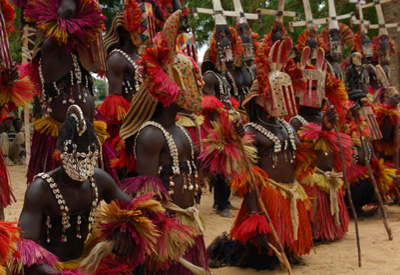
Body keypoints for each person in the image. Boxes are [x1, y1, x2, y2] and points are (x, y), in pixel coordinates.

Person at [10, 105, 168, 274]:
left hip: (86, 263)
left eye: (88, 153)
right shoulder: (40, 189)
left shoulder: (98, 179)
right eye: (76, 154)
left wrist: (124, 229)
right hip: (50, 270)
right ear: (59, 153)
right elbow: (25, 254)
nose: (83, 161)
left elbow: (137, 210)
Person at [208, 39, 315, 270]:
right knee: (258, 257)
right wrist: (255, 216)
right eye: (279, 93)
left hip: (289, 193)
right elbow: (248, 178)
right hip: (266, 198)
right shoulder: (251, 131)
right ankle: (219, 248)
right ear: (262, 99)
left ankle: (287, 248)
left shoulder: (287, 126)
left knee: (284, 247)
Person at [119, 10, 210, 274]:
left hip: (189, 221)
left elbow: (202, 169)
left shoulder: (181, 129)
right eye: (190, 79)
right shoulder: (151, 135)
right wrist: (164, 232)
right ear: (170, 85)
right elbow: (147, 199)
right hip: (167, 232)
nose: (197, 85)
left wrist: (228, 142)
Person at [23, 0, 118, 183]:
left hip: (86, 136)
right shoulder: (52, 46)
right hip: (63, 140)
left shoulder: (77, 55)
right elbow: (67, 10)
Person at [290, 47, 351, 242]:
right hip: (311, 180)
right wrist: (322, 131)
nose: (313, 94)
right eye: (309, 89)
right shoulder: (296, 121)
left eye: (317, 89)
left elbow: (337, 148)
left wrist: (332, 128)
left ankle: (331, 227)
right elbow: (300, 154)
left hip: (330, 177)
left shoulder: (326, 116)